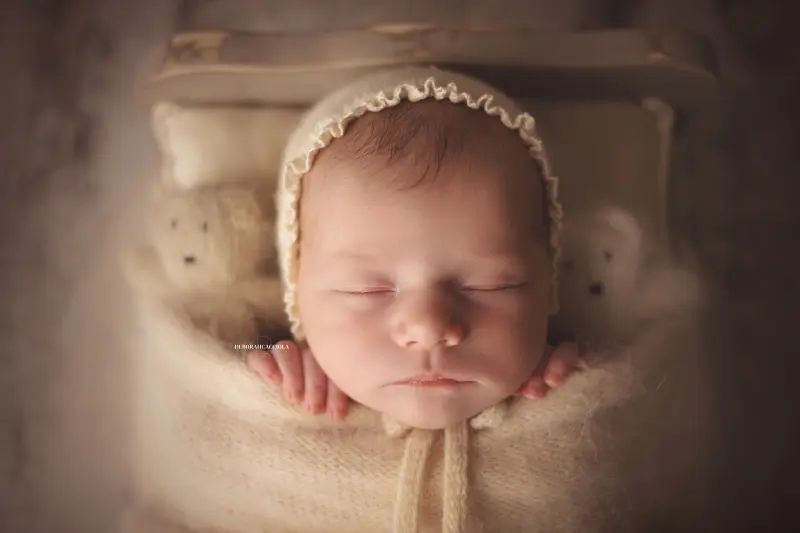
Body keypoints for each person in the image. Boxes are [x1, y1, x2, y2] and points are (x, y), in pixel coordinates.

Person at [125, 66, 700, 533]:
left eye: (489, 285)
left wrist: (578, 378)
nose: (428, 325)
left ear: (546, 288)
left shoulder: (566, 364)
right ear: (298, 300)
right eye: (368, 289)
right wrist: (268, 360)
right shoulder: (269, 339)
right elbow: (222, 364)